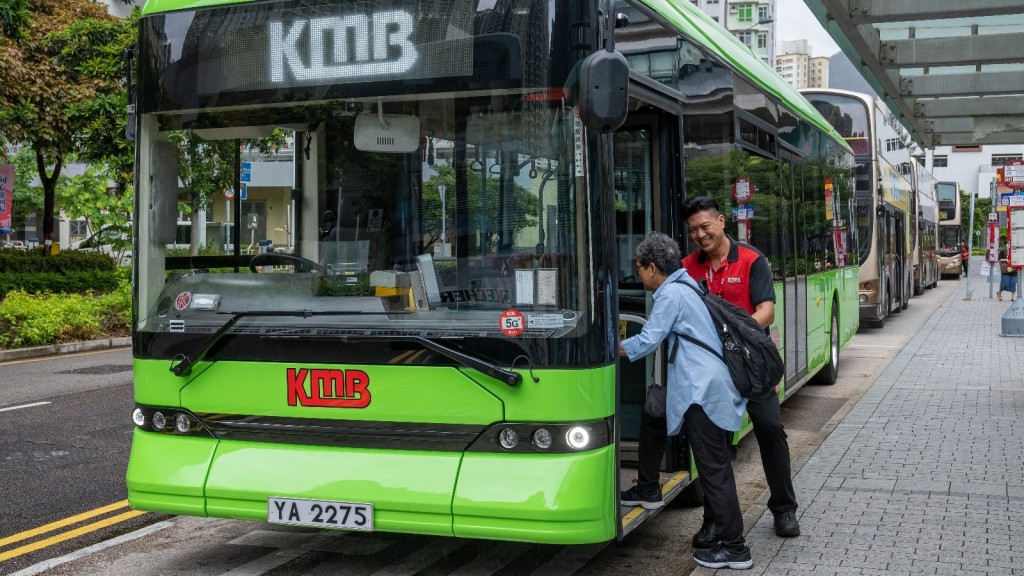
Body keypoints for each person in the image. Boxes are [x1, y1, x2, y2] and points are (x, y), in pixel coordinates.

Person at [619, 232, 753, 571]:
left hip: (701, 393)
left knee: (714, 471)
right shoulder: (689, 285)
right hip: (710, 387)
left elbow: (650, 339)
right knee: (658, 419)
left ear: (652, 267)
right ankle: (648, 489)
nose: (638, 275)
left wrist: (611, 349)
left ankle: (736, 549)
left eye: (638, 268)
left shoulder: (672, 294)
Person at [680, 196, 801, 547]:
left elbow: (766, 310)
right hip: (712, 372)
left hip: (752, 365)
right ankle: (716, 519)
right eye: (693, 231)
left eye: (705, 227)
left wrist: (734, 334)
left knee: (769, 428)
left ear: (720, 221)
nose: (701, 235)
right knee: (713, 443)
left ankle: (783, 508)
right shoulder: (688, 267)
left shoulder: (751, 259)